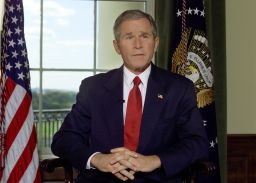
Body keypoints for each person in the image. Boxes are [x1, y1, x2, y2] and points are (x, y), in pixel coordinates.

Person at [51, 9, 208, 183]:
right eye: (129, 37)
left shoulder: (179, 88)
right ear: (117, 46)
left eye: (144, 36)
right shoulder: (93, 88)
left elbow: (197, 143)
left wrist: (155, 161)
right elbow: (63, 140)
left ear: (156, 43)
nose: (138, 44)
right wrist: (97, 159)